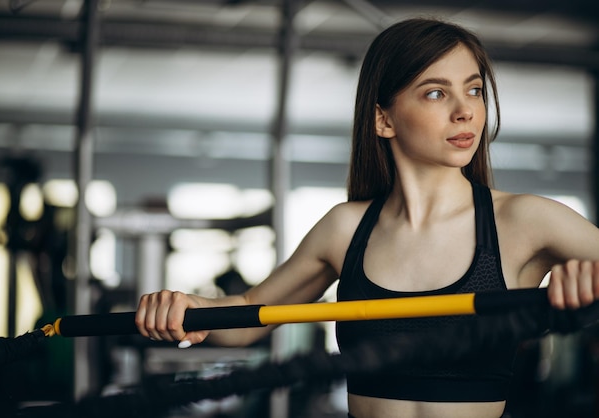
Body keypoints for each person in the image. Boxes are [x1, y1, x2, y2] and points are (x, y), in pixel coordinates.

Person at [135, 17, 599, 418]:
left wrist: (586, 282)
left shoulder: (525, 221)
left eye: (474, 90)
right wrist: (184, 307)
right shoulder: (345, 229)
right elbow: (250, 315)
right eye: (437, 93)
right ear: (384, 120)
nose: (465, 111)